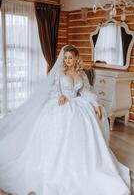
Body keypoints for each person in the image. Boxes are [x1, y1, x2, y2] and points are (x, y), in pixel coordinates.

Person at [0, 45, 131, 195]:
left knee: (87, 121)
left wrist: (96, 105)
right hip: (62, 102)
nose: (68, 60)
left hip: (77, 103)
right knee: (62, 124)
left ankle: (86, 162)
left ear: (76, 58)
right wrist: (59, 96)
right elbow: (54, 89)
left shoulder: (81, 74)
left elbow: (86, 91)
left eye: (71, 57)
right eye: (66, 57)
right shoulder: (60, 73)